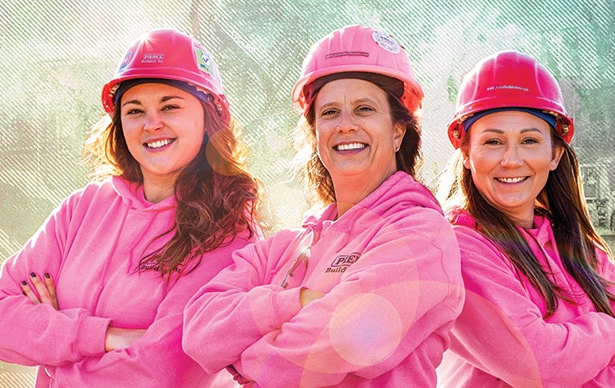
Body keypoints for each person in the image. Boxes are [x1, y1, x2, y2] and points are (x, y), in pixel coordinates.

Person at [182, 25, 464, 387]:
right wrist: (294, 302)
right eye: (330, 113)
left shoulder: (422, 237)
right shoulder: (285, 247)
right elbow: (199, 332)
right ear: (314, 133)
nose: (345, 125)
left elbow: (341, 341)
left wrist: (239, 354)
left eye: (364, 109)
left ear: (398, 131)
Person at [0, 28, 261, 387]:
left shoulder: (230, 233)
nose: (151, 123)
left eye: (170, 106)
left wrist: (52, 350)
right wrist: (106, 336)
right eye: (134, 110)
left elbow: (160, 371)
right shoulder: (82, 209)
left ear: (209, 117)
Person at [435, 50, 615, 387]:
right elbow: (539, 364)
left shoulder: (579, 246)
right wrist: (611, 330)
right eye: (493, 141)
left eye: (529, 140)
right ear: (467, 153)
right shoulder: (459, 248)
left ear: (555, 154)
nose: (511, 160)